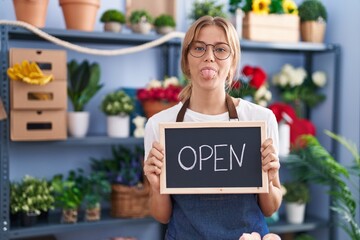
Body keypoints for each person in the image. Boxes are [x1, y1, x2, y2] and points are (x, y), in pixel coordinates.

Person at [143, 15, 282, 240]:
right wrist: (156, 185)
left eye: (220, 49)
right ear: (186, 61)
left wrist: (269, 176)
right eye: (199, 48)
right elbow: (162, 216)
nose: (209, 57)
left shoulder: (260, 119)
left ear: (232, 63)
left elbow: (270, 208)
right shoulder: (159, 126)